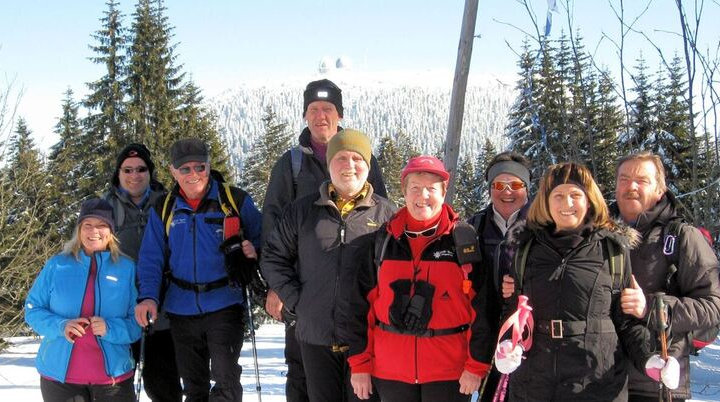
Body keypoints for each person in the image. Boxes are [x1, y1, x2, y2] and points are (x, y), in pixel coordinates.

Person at [496, 162, 677, 402]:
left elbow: (626, 323)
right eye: (558, 195)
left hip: (597, 385)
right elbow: (516, 313)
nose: (567, 204)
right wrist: (509, 344)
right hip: (534, 386)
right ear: (546, 201)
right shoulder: (527, 249)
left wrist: (650, 359)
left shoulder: (612, 251)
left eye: (575, 195)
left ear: (589, 200)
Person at [261, 78, 387, 402]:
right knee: (303, 377)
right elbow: (273, 227)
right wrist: (285, 292)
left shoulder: (362, 159)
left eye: (328, 109)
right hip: (308, 297)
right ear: (305, 115)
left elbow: (384, 227)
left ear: (339, 114)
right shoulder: (291, 164)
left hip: (358, 304)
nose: (321, 116)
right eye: (314, 109)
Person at [346, 155, 495, 402]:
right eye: (415, 188)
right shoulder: (383, 242)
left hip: (450, 372)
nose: (422, 196)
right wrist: (360, 364)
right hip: (391, 371)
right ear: (404, 191)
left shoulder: (463, 241)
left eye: (431, 189)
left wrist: (476, 365)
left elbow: (482, 310)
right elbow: (359, 309)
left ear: (444, 191)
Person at [134, 138, 262, 402]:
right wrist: (148, 296)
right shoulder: (165, 208)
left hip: (225, 303)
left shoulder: (233, 199)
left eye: (200, 167)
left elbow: (264, 238)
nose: (194, 175)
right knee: (194, 386)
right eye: (185, 169)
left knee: (226, 379)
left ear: (208, 165)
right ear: (172, 171)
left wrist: (252, 251)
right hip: (181, 309)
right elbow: (151, 258)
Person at [611, 151, 720, 402]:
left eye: (642, 180)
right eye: (624, 179)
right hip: (598, 378)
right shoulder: (596, 234)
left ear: (660, 190)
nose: (632, 186)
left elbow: (713, 305)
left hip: (656, 382)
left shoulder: (682, 237)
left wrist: (651, 307)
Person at [25, 198, 142, 402]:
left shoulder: (126, 268)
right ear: (79, 229)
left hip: (113, 380)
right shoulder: (57, 265)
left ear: (111, 231)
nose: (94, 231)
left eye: (101, 225)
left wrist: (110, 328)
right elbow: (33, 309)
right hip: (60, 380)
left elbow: (136, 324)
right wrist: (61, 325)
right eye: (87, 225)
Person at [104, 143, 182, 402]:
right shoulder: (103, 209)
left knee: (164, 386)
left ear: (150, 172)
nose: (134, 175)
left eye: (141, 169)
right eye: (127, 169)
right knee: (117, 388)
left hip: (163, 313)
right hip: (119, 314)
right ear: (118, 173)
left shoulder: (168, 204)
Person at [467, 151, 531, 401]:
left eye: (515, 184)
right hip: (483, 329)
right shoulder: (475, 226)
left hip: (526, 334)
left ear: (526, 187)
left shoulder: (540, 225)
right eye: (498, 185)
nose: (507, 192)